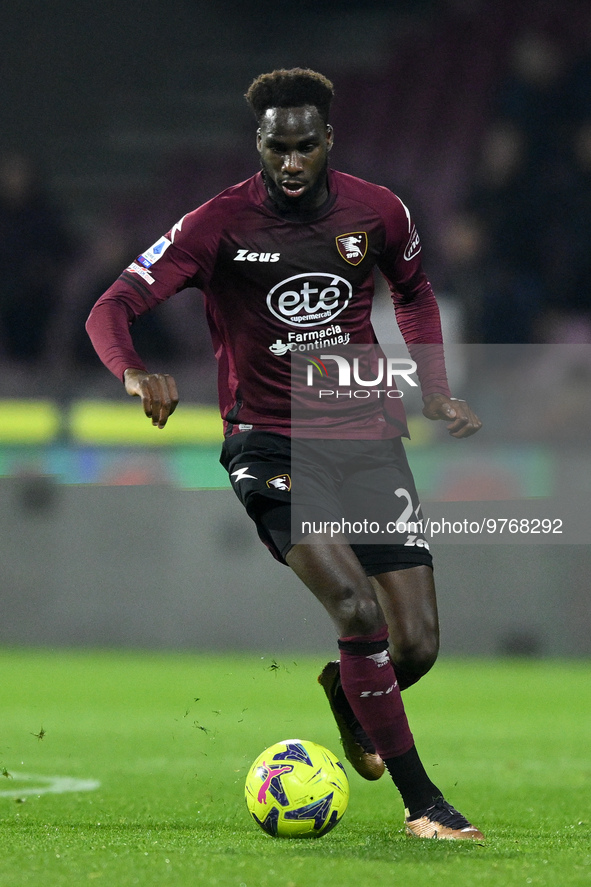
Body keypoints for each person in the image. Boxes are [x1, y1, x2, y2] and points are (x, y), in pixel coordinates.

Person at [86, 68, 483, 840]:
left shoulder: (378, 210)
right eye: (277, 147)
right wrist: (134, 371)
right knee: (353, 605)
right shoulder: (216, 224)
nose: (292, 162)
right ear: (258, 144)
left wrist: (433, 390)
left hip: (363, 430)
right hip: (267, 438)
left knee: (418, 645)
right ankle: (422, 804)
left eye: (305, 146)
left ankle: (348, 690)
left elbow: (414, 290)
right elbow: (114, 304)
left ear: (327, 140)